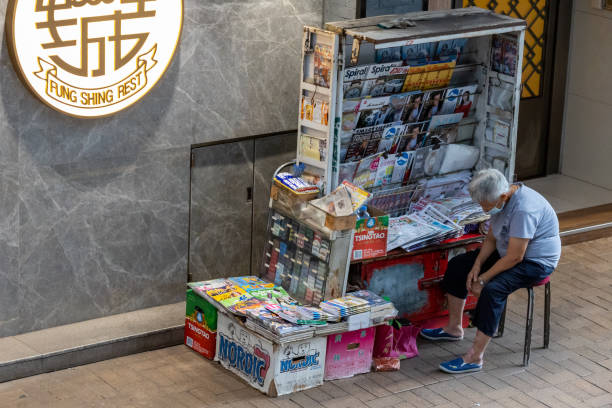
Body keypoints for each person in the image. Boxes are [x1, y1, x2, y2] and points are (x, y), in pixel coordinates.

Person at [420, 168, 561, 374]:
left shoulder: (524, 209)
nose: (483, 208)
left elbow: (515, 257)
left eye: (484, 205)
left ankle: (475, 357)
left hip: (535, 261)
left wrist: (484, 279)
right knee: (460, 265)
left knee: (493, 290)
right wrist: (477, 265)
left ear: (503, 197)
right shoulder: (501, 201)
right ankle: (453, 328)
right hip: (510, 250)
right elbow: (493, 238)